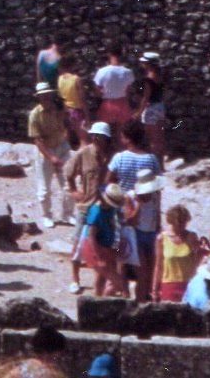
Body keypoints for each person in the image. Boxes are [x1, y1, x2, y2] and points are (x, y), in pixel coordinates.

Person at [108, 120, 163, 301]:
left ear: (126, 138)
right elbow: (157, 190)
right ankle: (143, 295)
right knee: (146, 262)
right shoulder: (151, 159)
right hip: (147, 214)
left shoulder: (119, 158)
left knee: (122, 257)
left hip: (124, 209)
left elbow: (110, 182)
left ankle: (124, 292)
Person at [64, 120, 111, 294]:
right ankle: (75, 278)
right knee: (78, 243)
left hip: (104, 207)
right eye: (98, 137)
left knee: (102, 245)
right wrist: (75, 192)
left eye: (103, 138)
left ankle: (99, 280)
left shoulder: (110, 157)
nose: (100, 141)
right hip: (86, 206)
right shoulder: (83, 154)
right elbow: (68, 173)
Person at [29, 81, 72, 228]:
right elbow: (37, 140)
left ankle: (68, 214)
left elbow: (66, 124)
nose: (46, 99)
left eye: (48, 96)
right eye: (43, 97)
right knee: (44, 188)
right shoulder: (35, 115)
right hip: (45, 151)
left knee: (68, 183)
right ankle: (47, 215)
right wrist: (51, 157)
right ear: (39, 98)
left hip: (61, 147)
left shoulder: (58, 109)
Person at [78, 184, 128, 298]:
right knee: (119, 284)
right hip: (95, 249)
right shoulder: (96, 212)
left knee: (101, 279)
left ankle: (98, 300)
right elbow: (91, 236)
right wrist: (99, 257)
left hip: (105, 246)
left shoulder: (110, 209)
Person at [154, 204, 203, 304]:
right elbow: (158, 266)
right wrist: (154, 290)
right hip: (169, 283)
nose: (183, 225)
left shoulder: (191, 236)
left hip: (189, 283)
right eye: (179, 222)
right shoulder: (161, 238)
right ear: (171, 221)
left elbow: (197, 262)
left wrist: (202, 253)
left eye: (185, 221)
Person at [91, 47, 135, 130]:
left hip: (107, 104)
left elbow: (97, 92)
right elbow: (128, 91)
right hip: (123, 103)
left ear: (109, 54)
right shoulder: (128, 72)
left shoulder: (102, 71)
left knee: (104, 132)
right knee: (123, 133)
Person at [137, 52, 168, 157]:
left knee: (152, 139)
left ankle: (156, 166)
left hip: (151, 109)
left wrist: (138, 112)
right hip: (160, 106)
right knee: (160, 137)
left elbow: (146, 97)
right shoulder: (160, 76)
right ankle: (161, 164)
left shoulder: (148, 79)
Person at [56, 55, 87, 142]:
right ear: (72, 65)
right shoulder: (76, 79)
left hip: (65, 111)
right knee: (83, 138)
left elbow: (60, 96)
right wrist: (87, 116)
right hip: (76, 111)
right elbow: (82, 99)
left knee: (67, 136)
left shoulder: (60, 79)